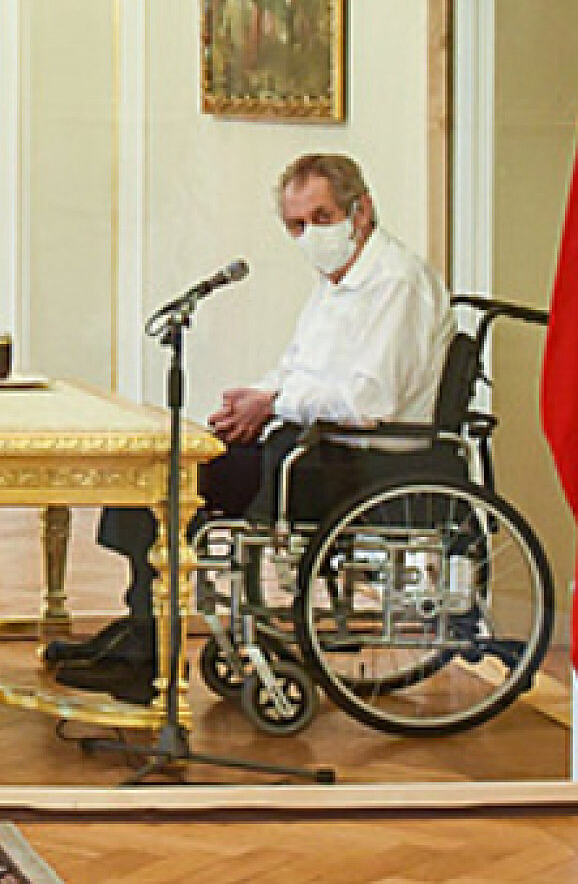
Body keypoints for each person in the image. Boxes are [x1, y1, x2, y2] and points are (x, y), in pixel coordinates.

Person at [45, 153, 454, 703]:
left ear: (361, 211)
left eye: (322, 218)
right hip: (307, 447)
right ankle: (140, 626)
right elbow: (295, 370)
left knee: (172, 483)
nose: (310, 235)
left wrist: (273, 402)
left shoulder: (396, 284)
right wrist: (254, 400)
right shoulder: (336, 285)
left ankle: (145, 652)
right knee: (155, 469)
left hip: (356, 464)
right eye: (296, 225)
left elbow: (368, 401)